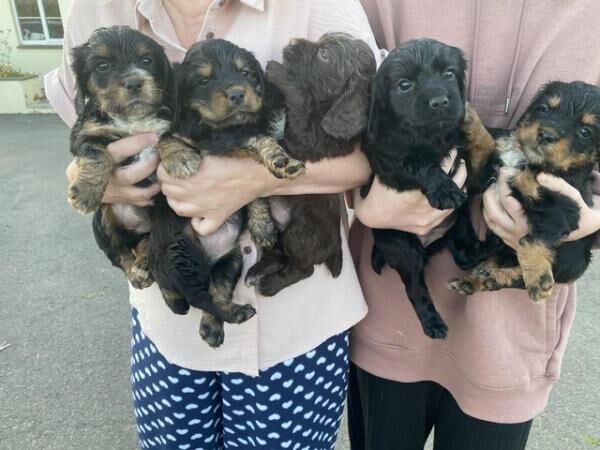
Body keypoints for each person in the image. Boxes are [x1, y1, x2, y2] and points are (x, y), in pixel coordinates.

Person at [45, 1, 382, 448]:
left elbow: (379, 149)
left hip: (297, 325)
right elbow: (89, 131)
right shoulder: (96, 11)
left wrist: (252, 178)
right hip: (168, 326)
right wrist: (92, 176)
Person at [348, 1, 600, 449]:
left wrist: (590, 219)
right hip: (389, 315)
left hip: (509, 339)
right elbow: (335, 112)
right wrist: (360, 200)